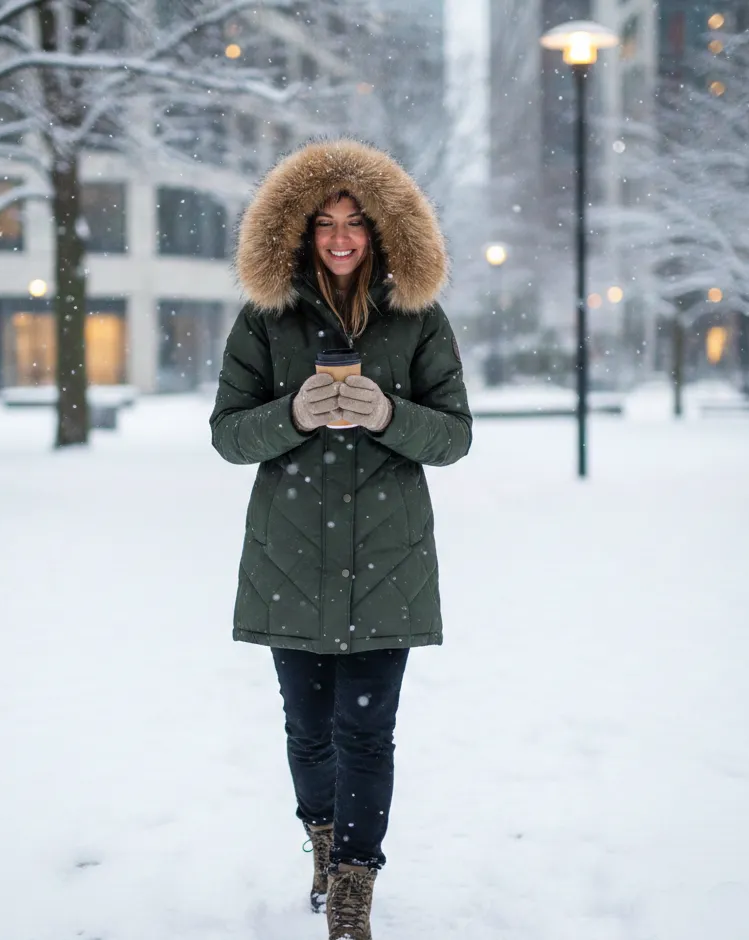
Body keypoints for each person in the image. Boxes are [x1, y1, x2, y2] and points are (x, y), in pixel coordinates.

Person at [210, 139, 472, 940]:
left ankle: (355, 883)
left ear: (384, 228)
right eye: (324, 222)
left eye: (355, 221)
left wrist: (390, 417)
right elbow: (227, 434)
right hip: (290, 556)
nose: (340, 237)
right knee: (307, 729)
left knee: (366, 731)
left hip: (387, 561)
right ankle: (322, 840)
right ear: (298, 230)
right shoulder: (266, 317)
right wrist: (292, 416)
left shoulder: (418, 319)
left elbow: (455, 436)